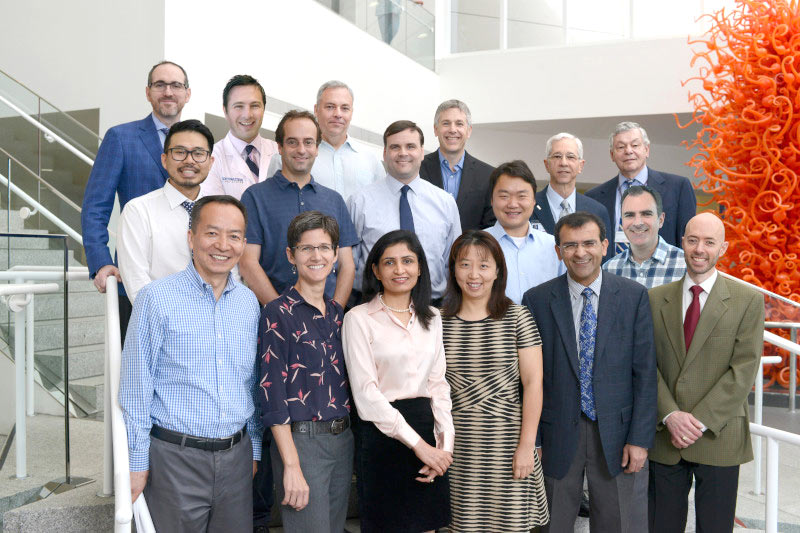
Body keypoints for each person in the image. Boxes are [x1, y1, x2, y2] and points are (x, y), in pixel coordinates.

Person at [119, 195, 262, 532]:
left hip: (236, 458)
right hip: (174, 459)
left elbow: (252, 383)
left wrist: (253, 448)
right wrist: (136, 463)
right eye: (212, 233)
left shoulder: (248, 303)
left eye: (234, 236)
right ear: (191, 237)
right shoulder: (156, 299)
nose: (223, 245)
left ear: (243, 242)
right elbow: (136, 387)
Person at [522, 212, 656, 532]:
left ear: (605, 246)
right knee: (550, 523)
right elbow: (529, 379)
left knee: (619, 522)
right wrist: (533, 439)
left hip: (618, 433)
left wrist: (639, 439)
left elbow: (645, 373)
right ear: (558, 251)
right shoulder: (537, 300)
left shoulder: (634, 297)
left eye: (588, 243)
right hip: (556, 432)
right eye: (570, 245)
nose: (580, 252)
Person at [648, 212, 764, 533]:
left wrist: (695, 422)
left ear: (723, 248)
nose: (700, 248)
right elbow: (646, 366)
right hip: (665, 437)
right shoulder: (655, 299)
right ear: (682, 242)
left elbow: (743, 371)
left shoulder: (747, 301)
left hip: (719, 434)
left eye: (709, 242)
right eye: (693, 240)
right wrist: (671, 414)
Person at [342, 230, 454, 532]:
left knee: (429, 526)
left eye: (408, 261)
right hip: (382, 437)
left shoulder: (432, 317)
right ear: (376, 270)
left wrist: (444, 448)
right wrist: (420, 447)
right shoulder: (358, 318)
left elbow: (438, 385)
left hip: (426, 430)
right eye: (389, 262)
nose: (399, 269)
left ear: (420, 268)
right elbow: (366, 395)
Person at [440, 230, 549, 531]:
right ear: (453, 269)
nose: (474, 274)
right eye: (464, 264)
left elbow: (533, 385)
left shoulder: (518, 317)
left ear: (498, 271)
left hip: (508, 444)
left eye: (484, 265)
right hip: (457, 448)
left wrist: (527, 445)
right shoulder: (437, 321)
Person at [258, 211, 353, 532]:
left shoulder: (339, 314)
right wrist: (292, 465)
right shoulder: (277, 313)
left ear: (336, 254)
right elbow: (272, 396)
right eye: (307, 248)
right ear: (291, 255)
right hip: (302, 443)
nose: (317, 256)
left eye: (325, 247)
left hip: (343, 439)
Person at [82, 60, 190, 339]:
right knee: (134, 370)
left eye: (176, 85)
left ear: (187, 94)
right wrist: (101, 261)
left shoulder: (197, 142)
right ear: (148, 92)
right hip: (133, 278)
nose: (168, 91)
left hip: (188, 276)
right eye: (160, 85)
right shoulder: (121, 138)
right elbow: (96, 206)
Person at [239, 110, 357, 307]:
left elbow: (347, 265)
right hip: (273, 320)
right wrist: (283, 315)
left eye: (308, 142)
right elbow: (248, 263)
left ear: (317, 148)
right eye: (293, 142)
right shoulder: (255, 197)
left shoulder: (335, 200)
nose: (301, 149)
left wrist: (335, 314)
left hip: (327, 320)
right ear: (280, 147)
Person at [348, 120, 461, 304]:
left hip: (434, 307)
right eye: (395, 147)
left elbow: (453, 261)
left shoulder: (445, 203)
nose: (403, 153)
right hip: (374, 308)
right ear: (384, 153)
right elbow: (349, 264)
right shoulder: (359, 202)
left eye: (410, 146)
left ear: (422, 152)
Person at [117, 119, 213, 302]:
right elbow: (137, 284)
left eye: (199, 153)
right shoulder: (137, 211)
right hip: (162, 322)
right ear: (164, 159)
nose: (189, 160)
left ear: (210, 162)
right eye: (179, 152)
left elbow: (231, 273)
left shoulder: (220, 213)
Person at [586, 121, 696, 255]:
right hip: (611, 272)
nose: (628, 151)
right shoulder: (593, 197)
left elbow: (688, 239)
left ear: (646, 150)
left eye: (635, 145)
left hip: (664, 272)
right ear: (612, 155)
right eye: (621, 147)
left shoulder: (678, 187)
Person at [267, 80, 384, 200]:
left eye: (345, 108)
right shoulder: (290, 156)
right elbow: (272, 201)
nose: (338, 114)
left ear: (351, 112)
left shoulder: (370, 159)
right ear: (316, 110)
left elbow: (380, 204)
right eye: (330, 107)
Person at [484, 160, 563, 304]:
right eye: (504, 196)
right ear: (491, 200)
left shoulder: (554, 246)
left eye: (522, 196)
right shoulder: (476, 245)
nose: (513, 204)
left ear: (534, 200)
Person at [419, 99, 494, 231]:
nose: (452, 130)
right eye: (446, 123)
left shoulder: (489, 175)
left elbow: (490, 226)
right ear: (436, 129)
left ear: (469, 131)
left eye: (459, 124)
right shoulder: (417, 170)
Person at [201, 74, 279, 199]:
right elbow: (216, 212)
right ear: (225, 111)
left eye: (254, 106)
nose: (247, 115)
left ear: (264, 109)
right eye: (238, 106)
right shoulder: (211, 158)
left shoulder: (279, 152)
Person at [603, 185, 686, 288]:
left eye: (646, 214)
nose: (638, 223)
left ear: (661, 220)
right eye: (629, 215)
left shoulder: (685, 265)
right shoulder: (609, 269)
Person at [532, 132, 610, 239]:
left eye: (570, 157)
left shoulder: (598, 211)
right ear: (547, 165)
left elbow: (605, 254)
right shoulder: (528, 206)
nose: (563, 163)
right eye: (557, 156)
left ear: (581, 166)